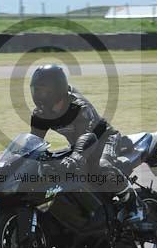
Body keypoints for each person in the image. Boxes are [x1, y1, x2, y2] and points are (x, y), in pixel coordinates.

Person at [28, 64, 148, 230]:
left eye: (44, 91)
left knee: (101, 167)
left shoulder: (78, 107)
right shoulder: (40, 114)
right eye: (36, 90)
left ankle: (134, 204)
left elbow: (89, 137)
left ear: (57, 89)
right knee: (51, 168)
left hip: (104, 138)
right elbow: (34, 142)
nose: (39, 95)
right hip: (80, 145)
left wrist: (76, 157)